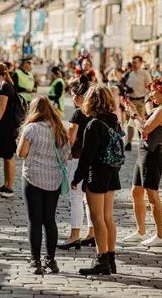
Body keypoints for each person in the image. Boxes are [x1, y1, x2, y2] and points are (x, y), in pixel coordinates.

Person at [71, 85, 122, 275]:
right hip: (111, 172)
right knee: (108, 216)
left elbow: (87, 156)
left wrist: (77, 177)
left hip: (97, 173)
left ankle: (101, 259)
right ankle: (111, 259)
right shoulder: (114, 120)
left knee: (97, 217)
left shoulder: (93, 125)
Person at [17, 96, 71, 274]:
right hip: (53, 179)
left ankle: (35, 261)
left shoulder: (30, 129)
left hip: (32, 177)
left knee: (34, 220)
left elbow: (21, 153)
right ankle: (51, 260)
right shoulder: (60, 129)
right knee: (50, 220)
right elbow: (66, 155)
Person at [124, 76, 162, 246]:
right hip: (144, 152)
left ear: (161, 90)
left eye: (153, 90)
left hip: (152, 154)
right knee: (136, 192)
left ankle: (161, 235)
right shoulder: (159, 108)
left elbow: (145, 129)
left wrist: (133, 114)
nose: (151, 94)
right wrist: (135, 113)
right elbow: (143, 125)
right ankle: (141, 231)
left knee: (152, 195)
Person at [58, 76, 95, 251]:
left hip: (78, 158)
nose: (72, 98)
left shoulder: (79, 113)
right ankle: (92, 233)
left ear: (80, 96)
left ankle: (74, 235)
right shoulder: (98, 111)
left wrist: (64, 155)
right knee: (89, 198)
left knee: (76, 198)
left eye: (73, 95)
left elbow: (71, 139)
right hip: (95, 160)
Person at [0, 63, 17, 198]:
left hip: (6, 126)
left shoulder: (6, 86)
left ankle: (10, 187)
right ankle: (6, 185)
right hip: (6, 125)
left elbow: (2, 108)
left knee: (9, 156)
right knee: (6, 157)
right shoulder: (6, 85)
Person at [125, 55, 152, 151]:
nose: (134, 64)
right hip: (131, 100)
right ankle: (128, 143)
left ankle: (142, 142)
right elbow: (127, 85)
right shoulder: (130, 74)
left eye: (135, 62)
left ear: (140, 63)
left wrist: (148, 100)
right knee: (130, 123)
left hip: (140, 101)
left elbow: (150, 87)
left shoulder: (145, 73)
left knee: (139, 122)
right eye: (133, 62)